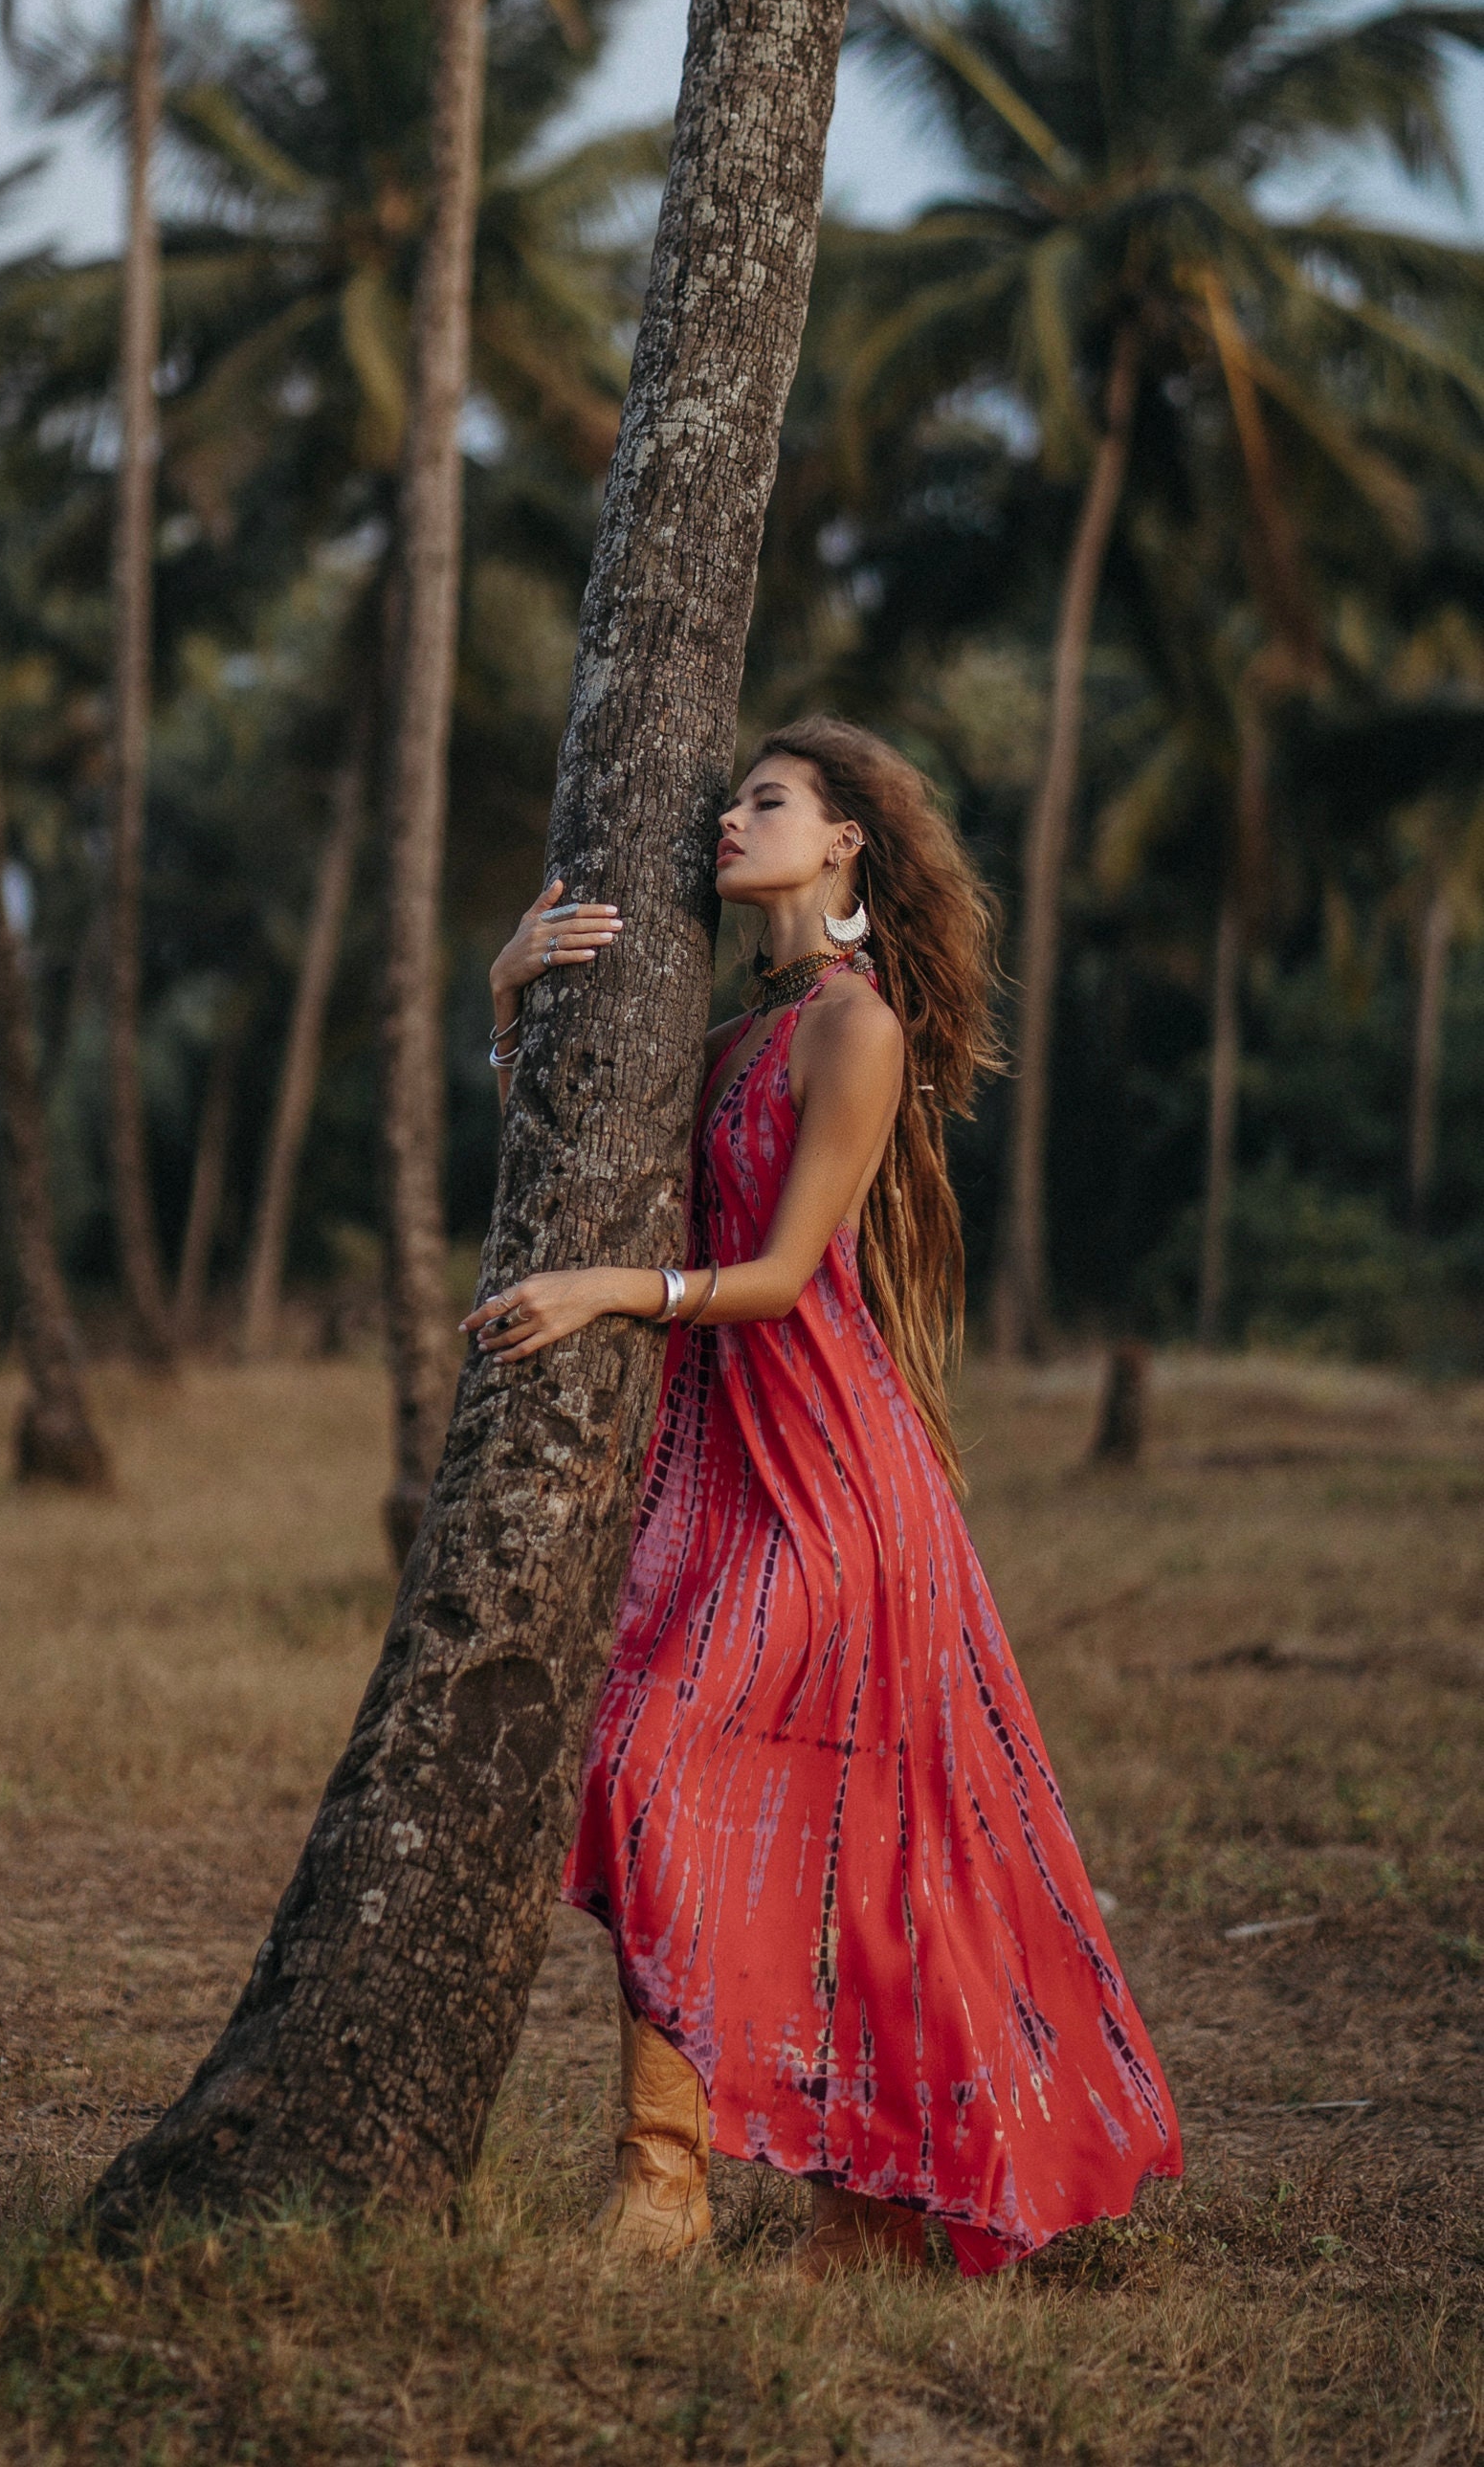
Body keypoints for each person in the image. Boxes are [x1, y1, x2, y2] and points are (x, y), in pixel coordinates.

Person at [461, 716, 1182, 2276]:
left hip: (831, 1474)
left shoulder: (853, 1029)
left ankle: (680, 2191)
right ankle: (767, 2195)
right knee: (661, 1776)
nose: (728, 819)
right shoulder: (725, 1036)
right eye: (733, 799)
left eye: (766, 801)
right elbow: (563, 1163)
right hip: (715, 1468)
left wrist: (605, 1290)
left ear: (846, 838)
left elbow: (787, 1277)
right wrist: (506, 996)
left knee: (679, 1772)